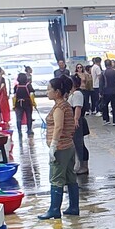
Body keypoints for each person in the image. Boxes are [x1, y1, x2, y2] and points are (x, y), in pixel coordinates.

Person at [38, 76, 79, 219]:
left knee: (56, 178)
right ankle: (74, 206)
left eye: (49, 89)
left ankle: (54, 209)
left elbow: (59, 127)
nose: (47, 91)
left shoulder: (59, 107)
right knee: (70, 176)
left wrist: (53, 146)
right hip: (68, 146)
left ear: (57, 92)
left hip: (61, 148)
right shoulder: (65, 105)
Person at [69, 73, 91, 175]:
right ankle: (81, 165)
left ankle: (83, 166)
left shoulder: (77, 94)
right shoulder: (73, 94)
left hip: (77, 122)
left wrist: (75, 119)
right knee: (78, 144)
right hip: (75, 121)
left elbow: (78, 107)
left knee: (79, 145)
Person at [12, 72, 36, 138]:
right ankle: (29, 130)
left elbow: (14, 95)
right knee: (29, 117)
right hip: (27, 103)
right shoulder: (28, 85)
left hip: (18, 104)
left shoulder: (16, 86)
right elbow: (32, 92)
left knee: (19, 118)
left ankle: (19, 131)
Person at [99, 58, 115, 125]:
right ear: (111, 64)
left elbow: (101, 83)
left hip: (106, 91)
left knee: (105, 105)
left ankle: (106, 119)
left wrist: (100, 92)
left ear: (105, 65)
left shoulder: (103, 73)